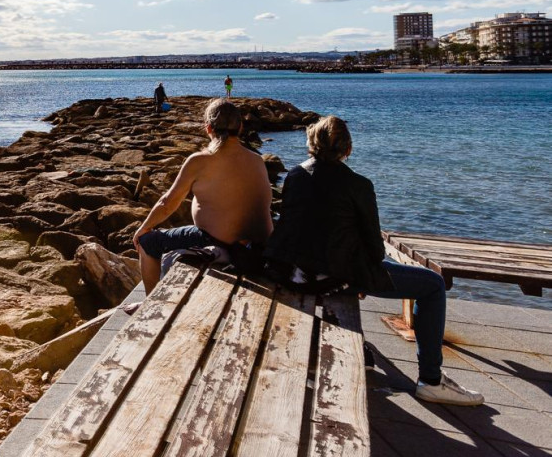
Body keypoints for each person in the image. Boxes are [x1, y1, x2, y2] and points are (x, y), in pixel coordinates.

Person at [265, 116, 484, 407]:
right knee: (432, 285)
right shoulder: (358, 185)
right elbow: (374, 247)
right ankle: (431, 380)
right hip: (337, 274)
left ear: (311, 144)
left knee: (380, 272)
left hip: (295, 272)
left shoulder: (295, 176)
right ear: (348, 149)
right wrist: (362, 277)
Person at [133, 99, 273, 292]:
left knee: (148, 242)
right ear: (240, 127)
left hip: (221, 244)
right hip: (257, 246)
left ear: (208, 128)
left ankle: (149, 302)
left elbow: (167, 203)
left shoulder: (200, 160)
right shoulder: (257, 159)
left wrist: (143, 228)